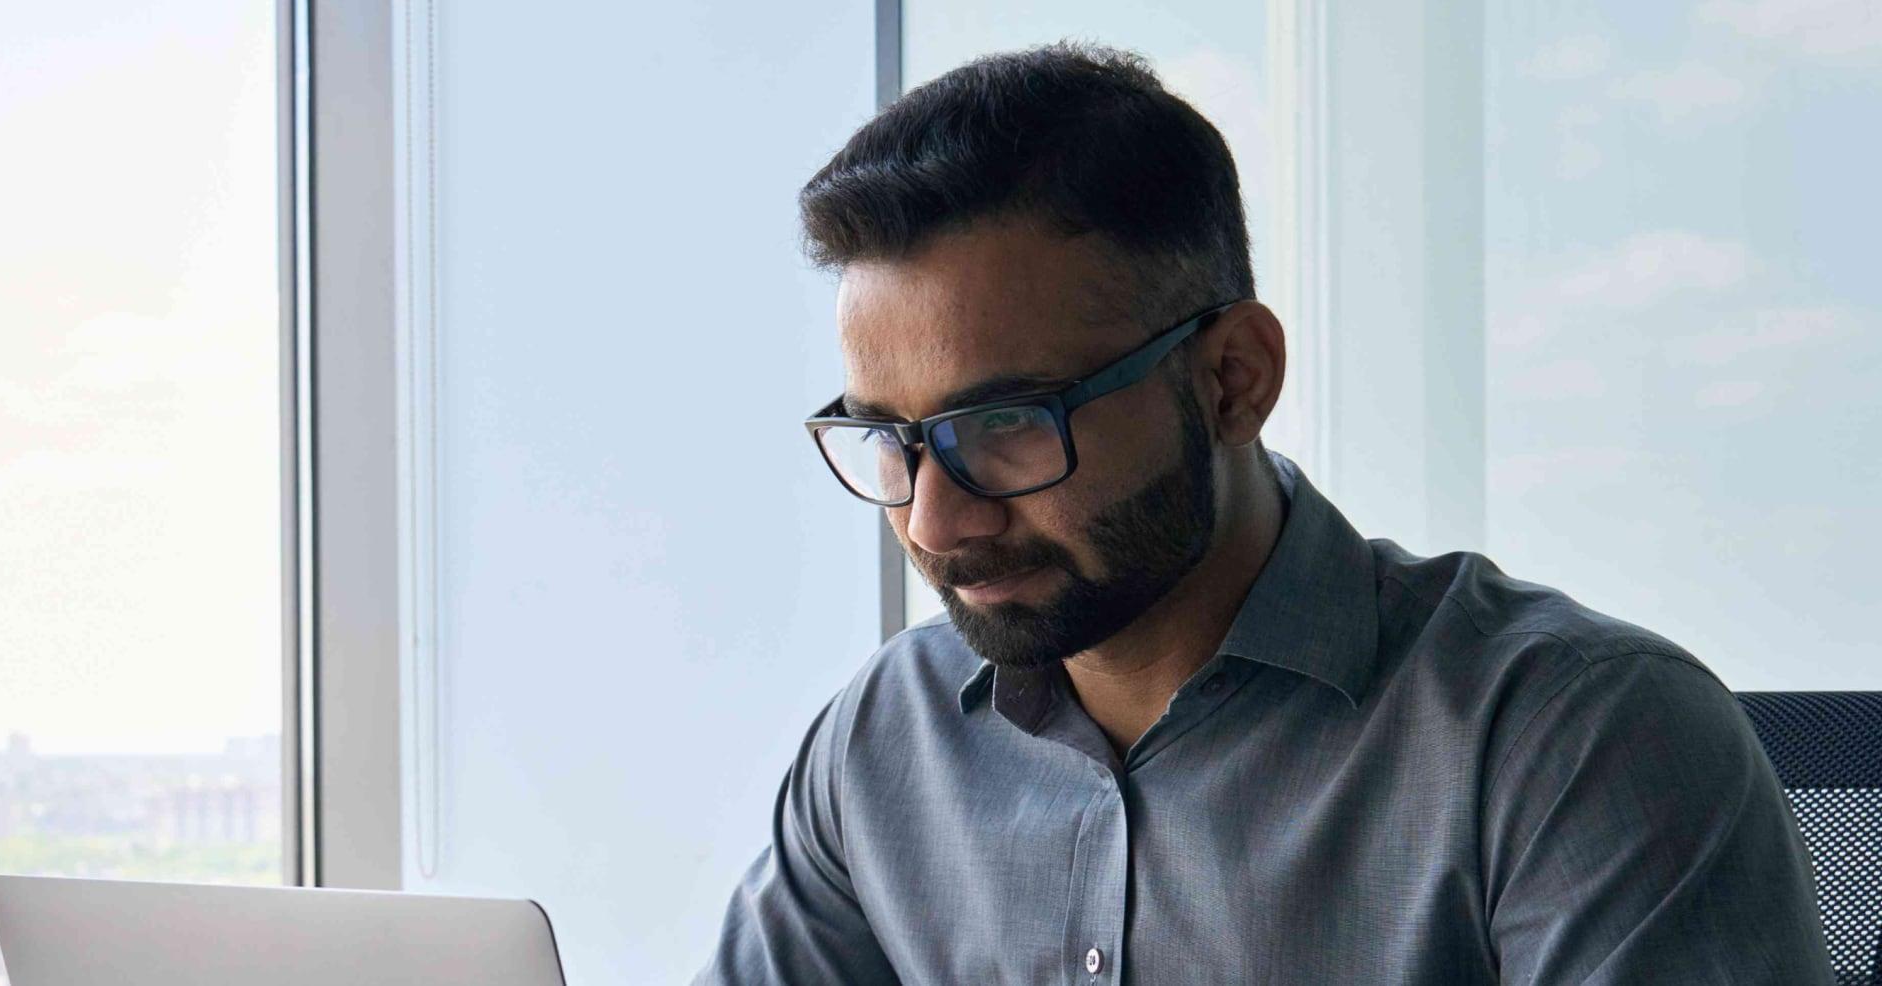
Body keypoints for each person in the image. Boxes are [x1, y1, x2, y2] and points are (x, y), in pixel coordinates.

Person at [694, 42, 1832, 985]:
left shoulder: (1577, 742)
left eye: (1009, 424)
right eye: (886, 440)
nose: (936, 524)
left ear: (1234, 377)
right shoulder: (887, 742)